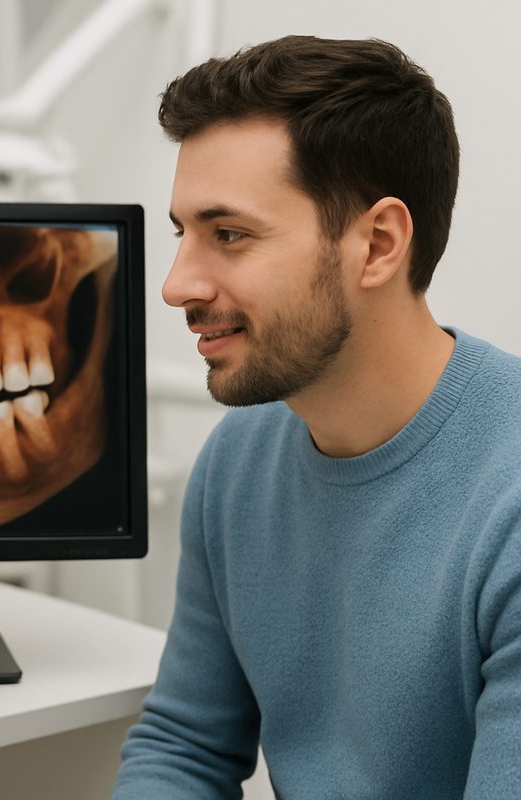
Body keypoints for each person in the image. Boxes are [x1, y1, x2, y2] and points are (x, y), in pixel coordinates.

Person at [114, 36, 521, 798]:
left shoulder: (509, 502)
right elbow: (185, 747)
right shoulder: (235, 464)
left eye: (228, 235)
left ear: (378, 245)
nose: (176, 285)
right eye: (183, 234)